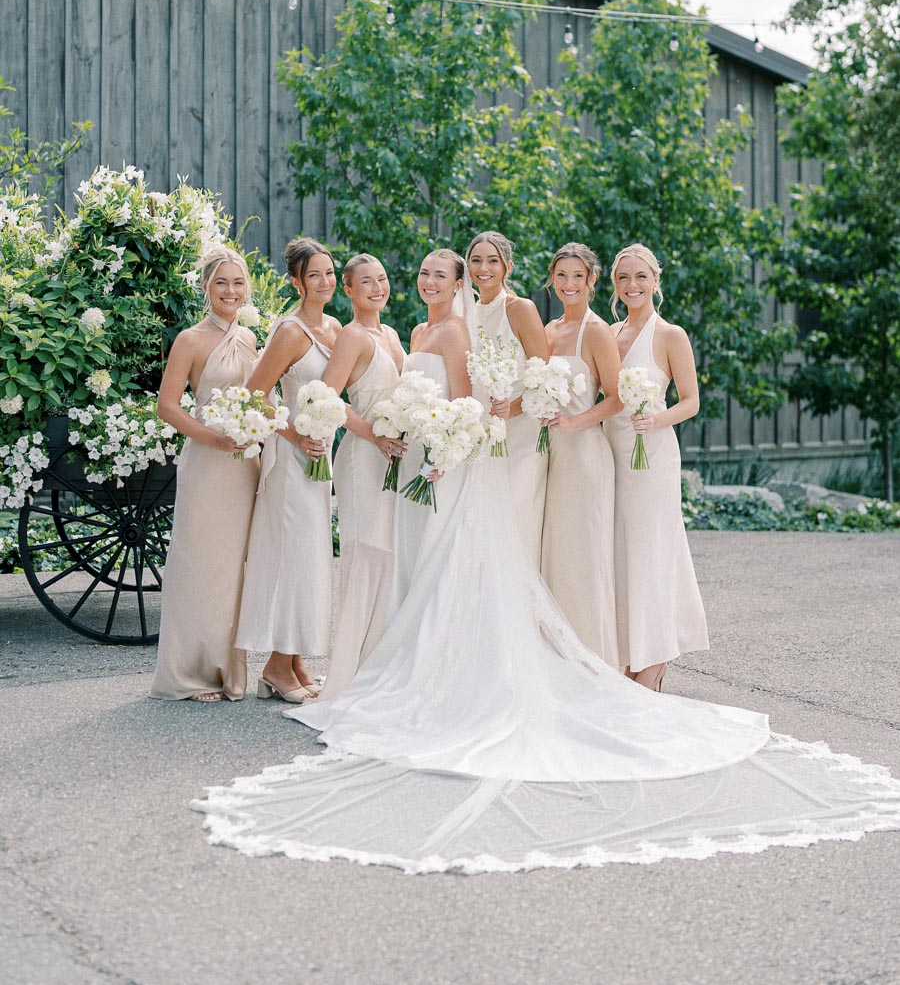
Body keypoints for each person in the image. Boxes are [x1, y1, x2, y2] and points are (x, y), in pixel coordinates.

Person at [194, 243, 900, 874]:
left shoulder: (529, 319)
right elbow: (451, 391)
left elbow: (530, 381)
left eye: (471, 265)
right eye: (448, 268)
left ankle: (599, 657)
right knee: (430, 559)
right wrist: (435, 426)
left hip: (505, 447)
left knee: (525, 550)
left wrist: (497, 417)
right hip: (437, 452)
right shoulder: (418, 329)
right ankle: (387, 659)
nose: (462, 275)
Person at [235, 238, 340, 704]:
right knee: (293, 559)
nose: (324, 282)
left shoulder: (335, 328)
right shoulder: (291, 332)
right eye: (314, 274)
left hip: (321, 459)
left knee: (311, 560)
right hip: (292, 460)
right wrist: (297, 436)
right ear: (296, 281)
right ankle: (276, 665)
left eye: (330, 272)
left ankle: (293, 662)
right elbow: (256, 392)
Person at [150, 247, 258, 703]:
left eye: (237, 282)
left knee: (233, 569)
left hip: (245, 464)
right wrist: (213, 439)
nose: (230, 291)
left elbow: (259, 397)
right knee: (199, 564)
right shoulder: (189, 340)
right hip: (208, 461)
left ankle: (225, 670)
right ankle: (190, 673)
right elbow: (167, 407)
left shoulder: (251, 338)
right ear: (205, 288)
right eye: (221, 283)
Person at [603, 243, 709, 692]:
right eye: (624, 277)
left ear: (655, 281)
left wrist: (655, 418)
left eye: (641, 276)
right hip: (611, 451)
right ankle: (630, 654)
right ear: (614, 284)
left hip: (651, 455)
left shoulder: (670, 335)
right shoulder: (609, 332)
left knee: (651, 552)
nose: (632, 285)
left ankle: (654, 661)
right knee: (621, 553)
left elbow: (691, 401)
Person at [316, 254, 406, 701]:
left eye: (382, 279)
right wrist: (375, 436)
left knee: (389, 555)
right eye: (365, 282)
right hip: (363, 458)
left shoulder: (389, 334)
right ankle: (350, 672)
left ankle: (378, 662)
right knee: (363, 554)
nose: (377, 288)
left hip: (393, 459)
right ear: (348, 290)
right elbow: (328, 398)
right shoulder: (351, 336)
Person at [541, 243, 623, 668]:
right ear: (551, 279)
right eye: (561, 276)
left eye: (578, 276)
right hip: (550, 458)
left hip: (585, 456)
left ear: (592, 280)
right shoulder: (549, 330)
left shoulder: (597, 331)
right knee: (556, 554)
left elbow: (617, 398)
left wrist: (575, 422)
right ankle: (559, 659)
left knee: (584, 556)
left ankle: (594, 662)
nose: (569, 284)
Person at [389, 248, 474, 608]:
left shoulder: (455, 331)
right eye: (425, 273)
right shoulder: (419, 331)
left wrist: (441, 455)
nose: (430, 282)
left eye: (440, 275)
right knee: (410, 543)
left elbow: (463, 402)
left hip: (438, 460)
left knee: (433, 546)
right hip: (413, 450)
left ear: (457, 284)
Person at [466, 231, 550, 566]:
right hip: (483, 433)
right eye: (476, 260)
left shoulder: (520, 309)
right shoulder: (467, 314)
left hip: (520, 432)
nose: (483, 268)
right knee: (485, 518)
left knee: (517, 515)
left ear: (507, 267)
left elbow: (543, 375)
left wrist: (511, 409)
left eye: (492, 261)